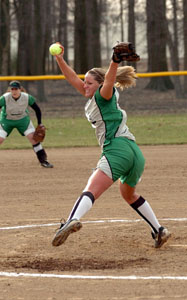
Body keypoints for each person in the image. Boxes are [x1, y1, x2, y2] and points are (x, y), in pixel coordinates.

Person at [52, 42, 170, 248]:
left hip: (117, 150)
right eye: (85, 82)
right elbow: (74, 80)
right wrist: (60, 60)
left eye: (89, 83)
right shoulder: (96, 96)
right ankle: (159, 230)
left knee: (91, 188)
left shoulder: (104, 94)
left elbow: (107, 83)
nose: (84, 85)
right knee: (129, 194)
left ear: (99, 84)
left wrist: (114, 62)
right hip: (134, 153)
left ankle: (72, 219)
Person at [0, 80, 53, 168]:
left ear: (20, 89)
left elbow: (37, 109)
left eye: (16, 89)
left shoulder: (27, 97)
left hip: (23, 120)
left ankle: (44, 161)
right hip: (6, 120)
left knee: (34, 139)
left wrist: (39, 123)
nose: (14, 91)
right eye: (12, 89)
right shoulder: (4, 98)